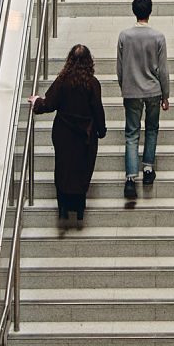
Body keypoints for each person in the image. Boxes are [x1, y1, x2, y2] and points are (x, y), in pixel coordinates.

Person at [32, 43, 106, 227]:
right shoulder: (92, 83)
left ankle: (63, 206)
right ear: (89, 61)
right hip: (85, 134)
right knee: (82, 168)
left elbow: (48, 104)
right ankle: (79, 207)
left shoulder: (62, 80)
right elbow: (98, 109)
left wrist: (36, 103)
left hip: (64, 132)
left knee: (63, 167)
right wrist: (101, 130)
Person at [116, 0, 171, 205]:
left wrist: (125, 87)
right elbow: (163, 70)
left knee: (131, 134)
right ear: (149, 12)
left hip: (132, 91)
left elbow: (120, 68)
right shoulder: (158, 37)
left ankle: (130, 178)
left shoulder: (124, 36)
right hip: (153, 90)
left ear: (134, 11)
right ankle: (148, 167)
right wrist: (166, 95)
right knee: (152, 129)